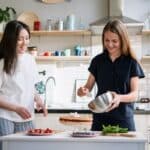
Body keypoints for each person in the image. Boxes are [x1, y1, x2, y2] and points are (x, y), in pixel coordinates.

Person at [77, 19, 145, 131]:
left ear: (123, 40)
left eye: (114, 41)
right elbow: (87, 87)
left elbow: (134, 95)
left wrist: (119, 98)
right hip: (100, 120)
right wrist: (82, 91)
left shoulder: (131, 62)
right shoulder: (97, 61)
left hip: (124, 121)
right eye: (106, 40)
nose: (110, 44)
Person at [0, 20, 47, 139]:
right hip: (5, 117)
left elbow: (31, 86)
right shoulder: (2, 62)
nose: (24, 43)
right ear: (10, 39)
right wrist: (16, 108)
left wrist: (38, 100)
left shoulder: (30, 59)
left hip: (27, 115)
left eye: (27, 38)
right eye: (20, 39)